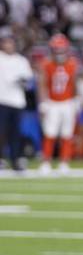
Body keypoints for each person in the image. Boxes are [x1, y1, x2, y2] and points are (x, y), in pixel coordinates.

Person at [37, 33, 79, 174]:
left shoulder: (72, 64)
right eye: (56, 50)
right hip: (52, 102)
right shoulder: (46, 64)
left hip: (67, 102)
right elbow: (42, 84)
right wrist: (43, 102)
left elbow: (75, 84)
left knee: (67, 134)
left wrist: (76, 100)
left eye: (61, 50)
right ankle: (46, 162)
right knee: (50, 133)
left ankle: (64, 162)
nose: (59, 53)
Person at [0, 30, 33, 171]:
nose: (9, 45)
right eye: (6, 42)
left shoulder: (21, 60)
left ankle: (15, 160)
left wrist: (22, 82)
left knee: (15, 132)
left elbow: (28, 80)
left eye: (11, 42)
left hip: (17, 101)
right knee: (1, 131)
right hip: (2, 99)